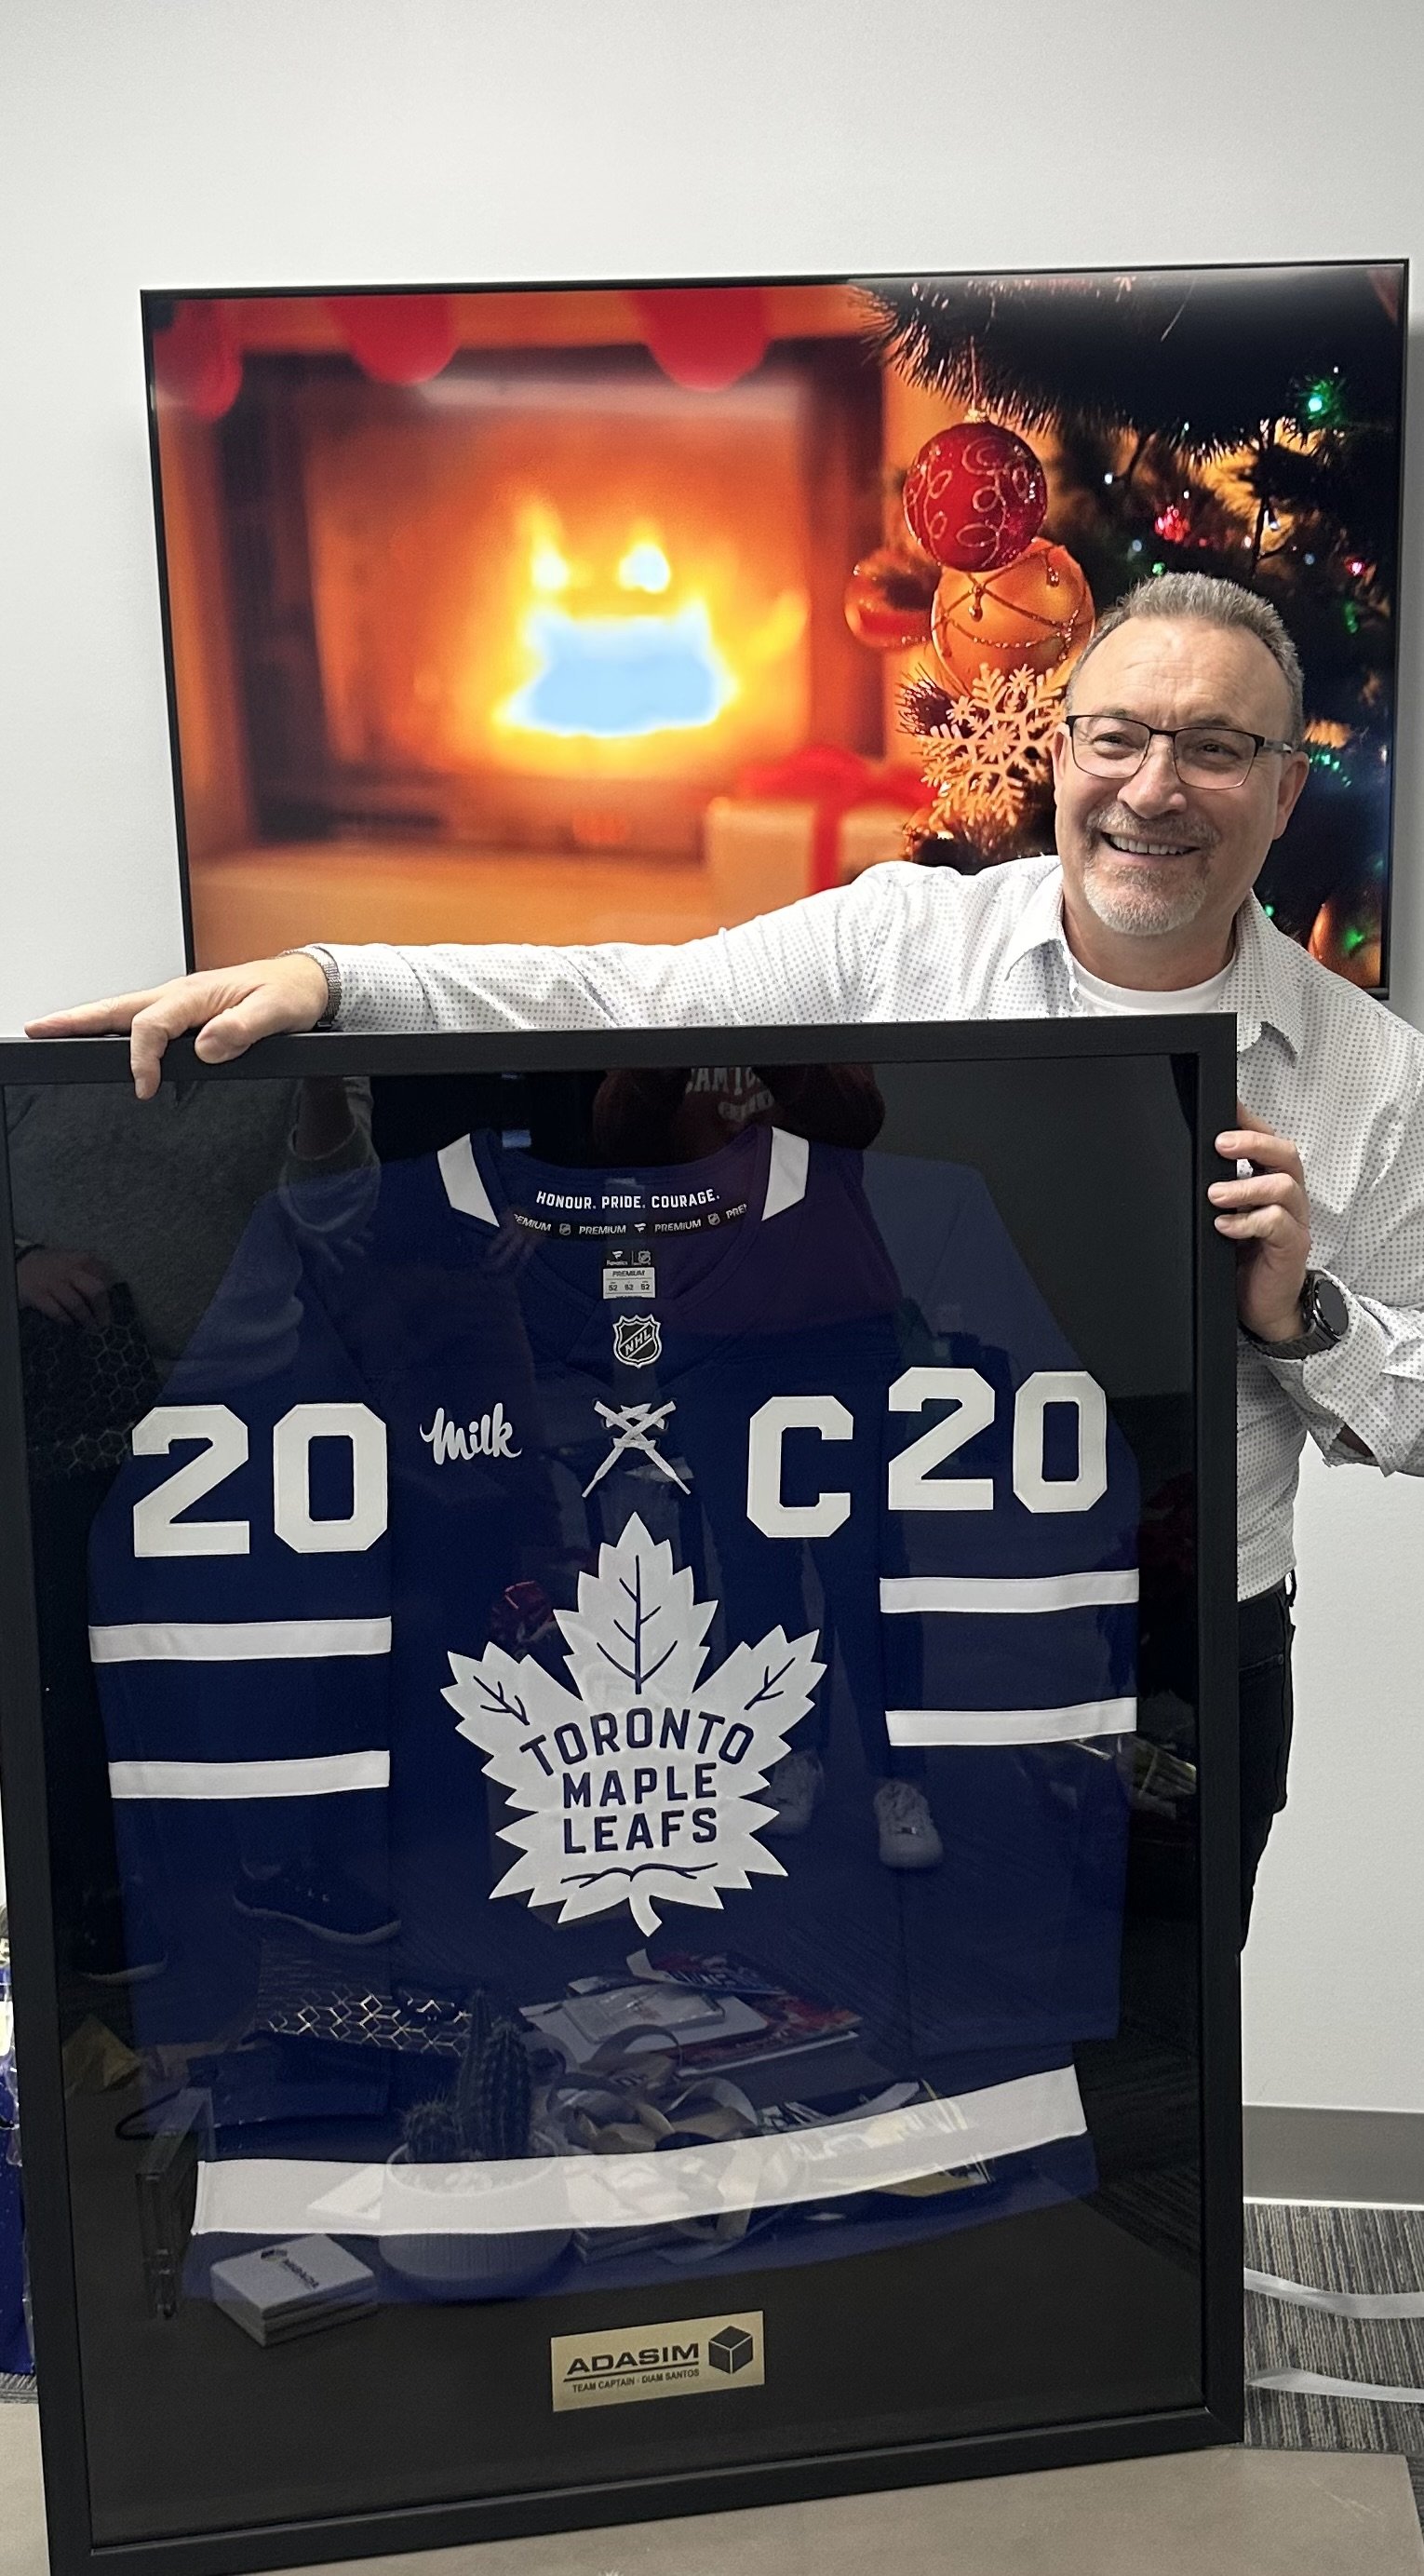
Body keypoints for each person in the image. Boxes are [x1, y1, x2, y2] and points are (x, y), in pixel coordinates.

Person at [31, 573, 1424, 1941]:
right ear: (1061, 754)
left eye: (1213, 749)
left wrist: (1304, 1318)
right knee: (933, 1983)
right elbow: (621, 996)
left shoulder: (1370, 1076)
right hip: (917, 1529)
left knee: (1156, 2022)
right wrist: (338, 982)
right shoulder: (901, 939)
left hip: (1183, 1629)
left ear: (1282, 791)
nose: (1152, 788)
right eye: (1115, 737)